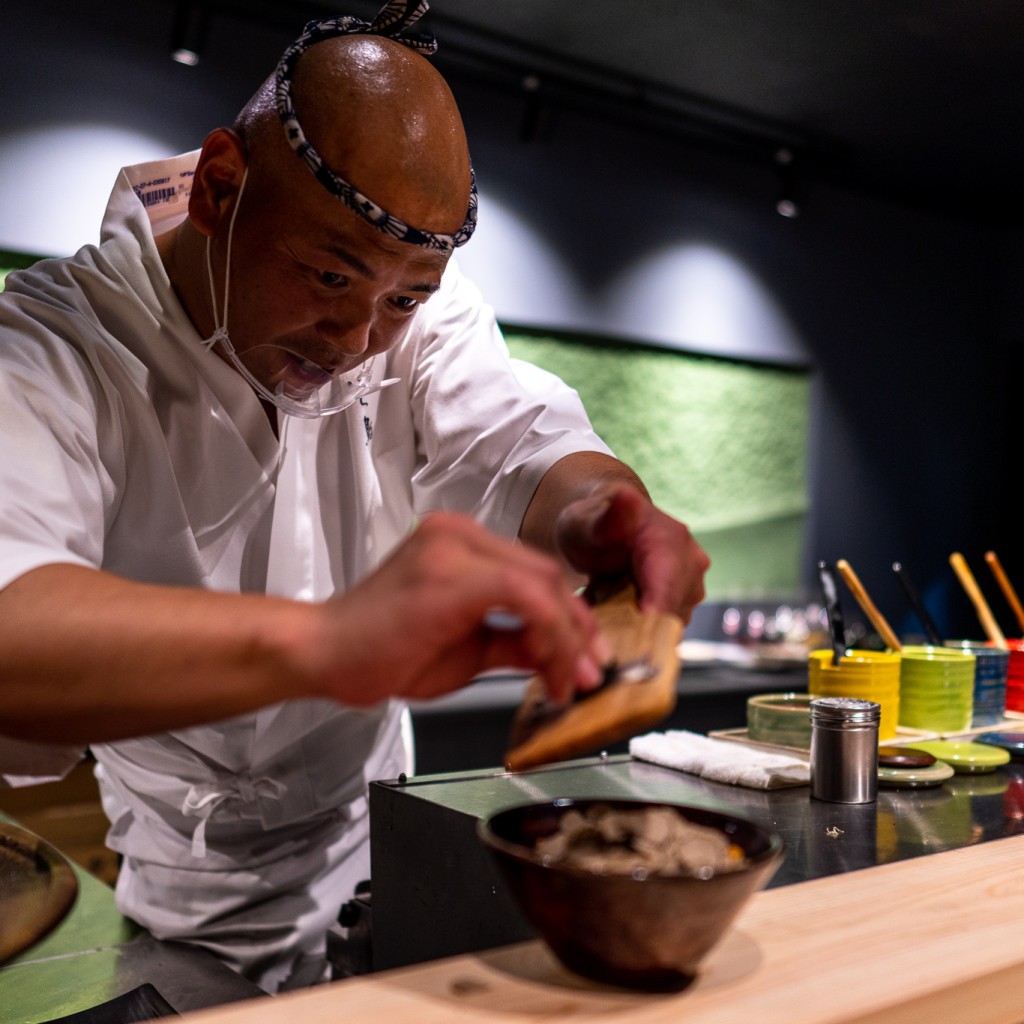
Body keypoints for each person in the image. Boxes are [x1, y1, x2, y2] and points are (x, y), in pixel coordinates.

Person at [0, 0, 709, 993]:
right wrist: (330, 640)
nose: (357, 337)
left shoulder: (408, 315)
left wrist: (603, 508)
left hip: (380, 840)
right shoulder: (53, 348)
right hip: (182, 878)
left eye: (403, 298)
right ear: (217, 186)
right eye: (327, 273)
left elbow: (518, 435)